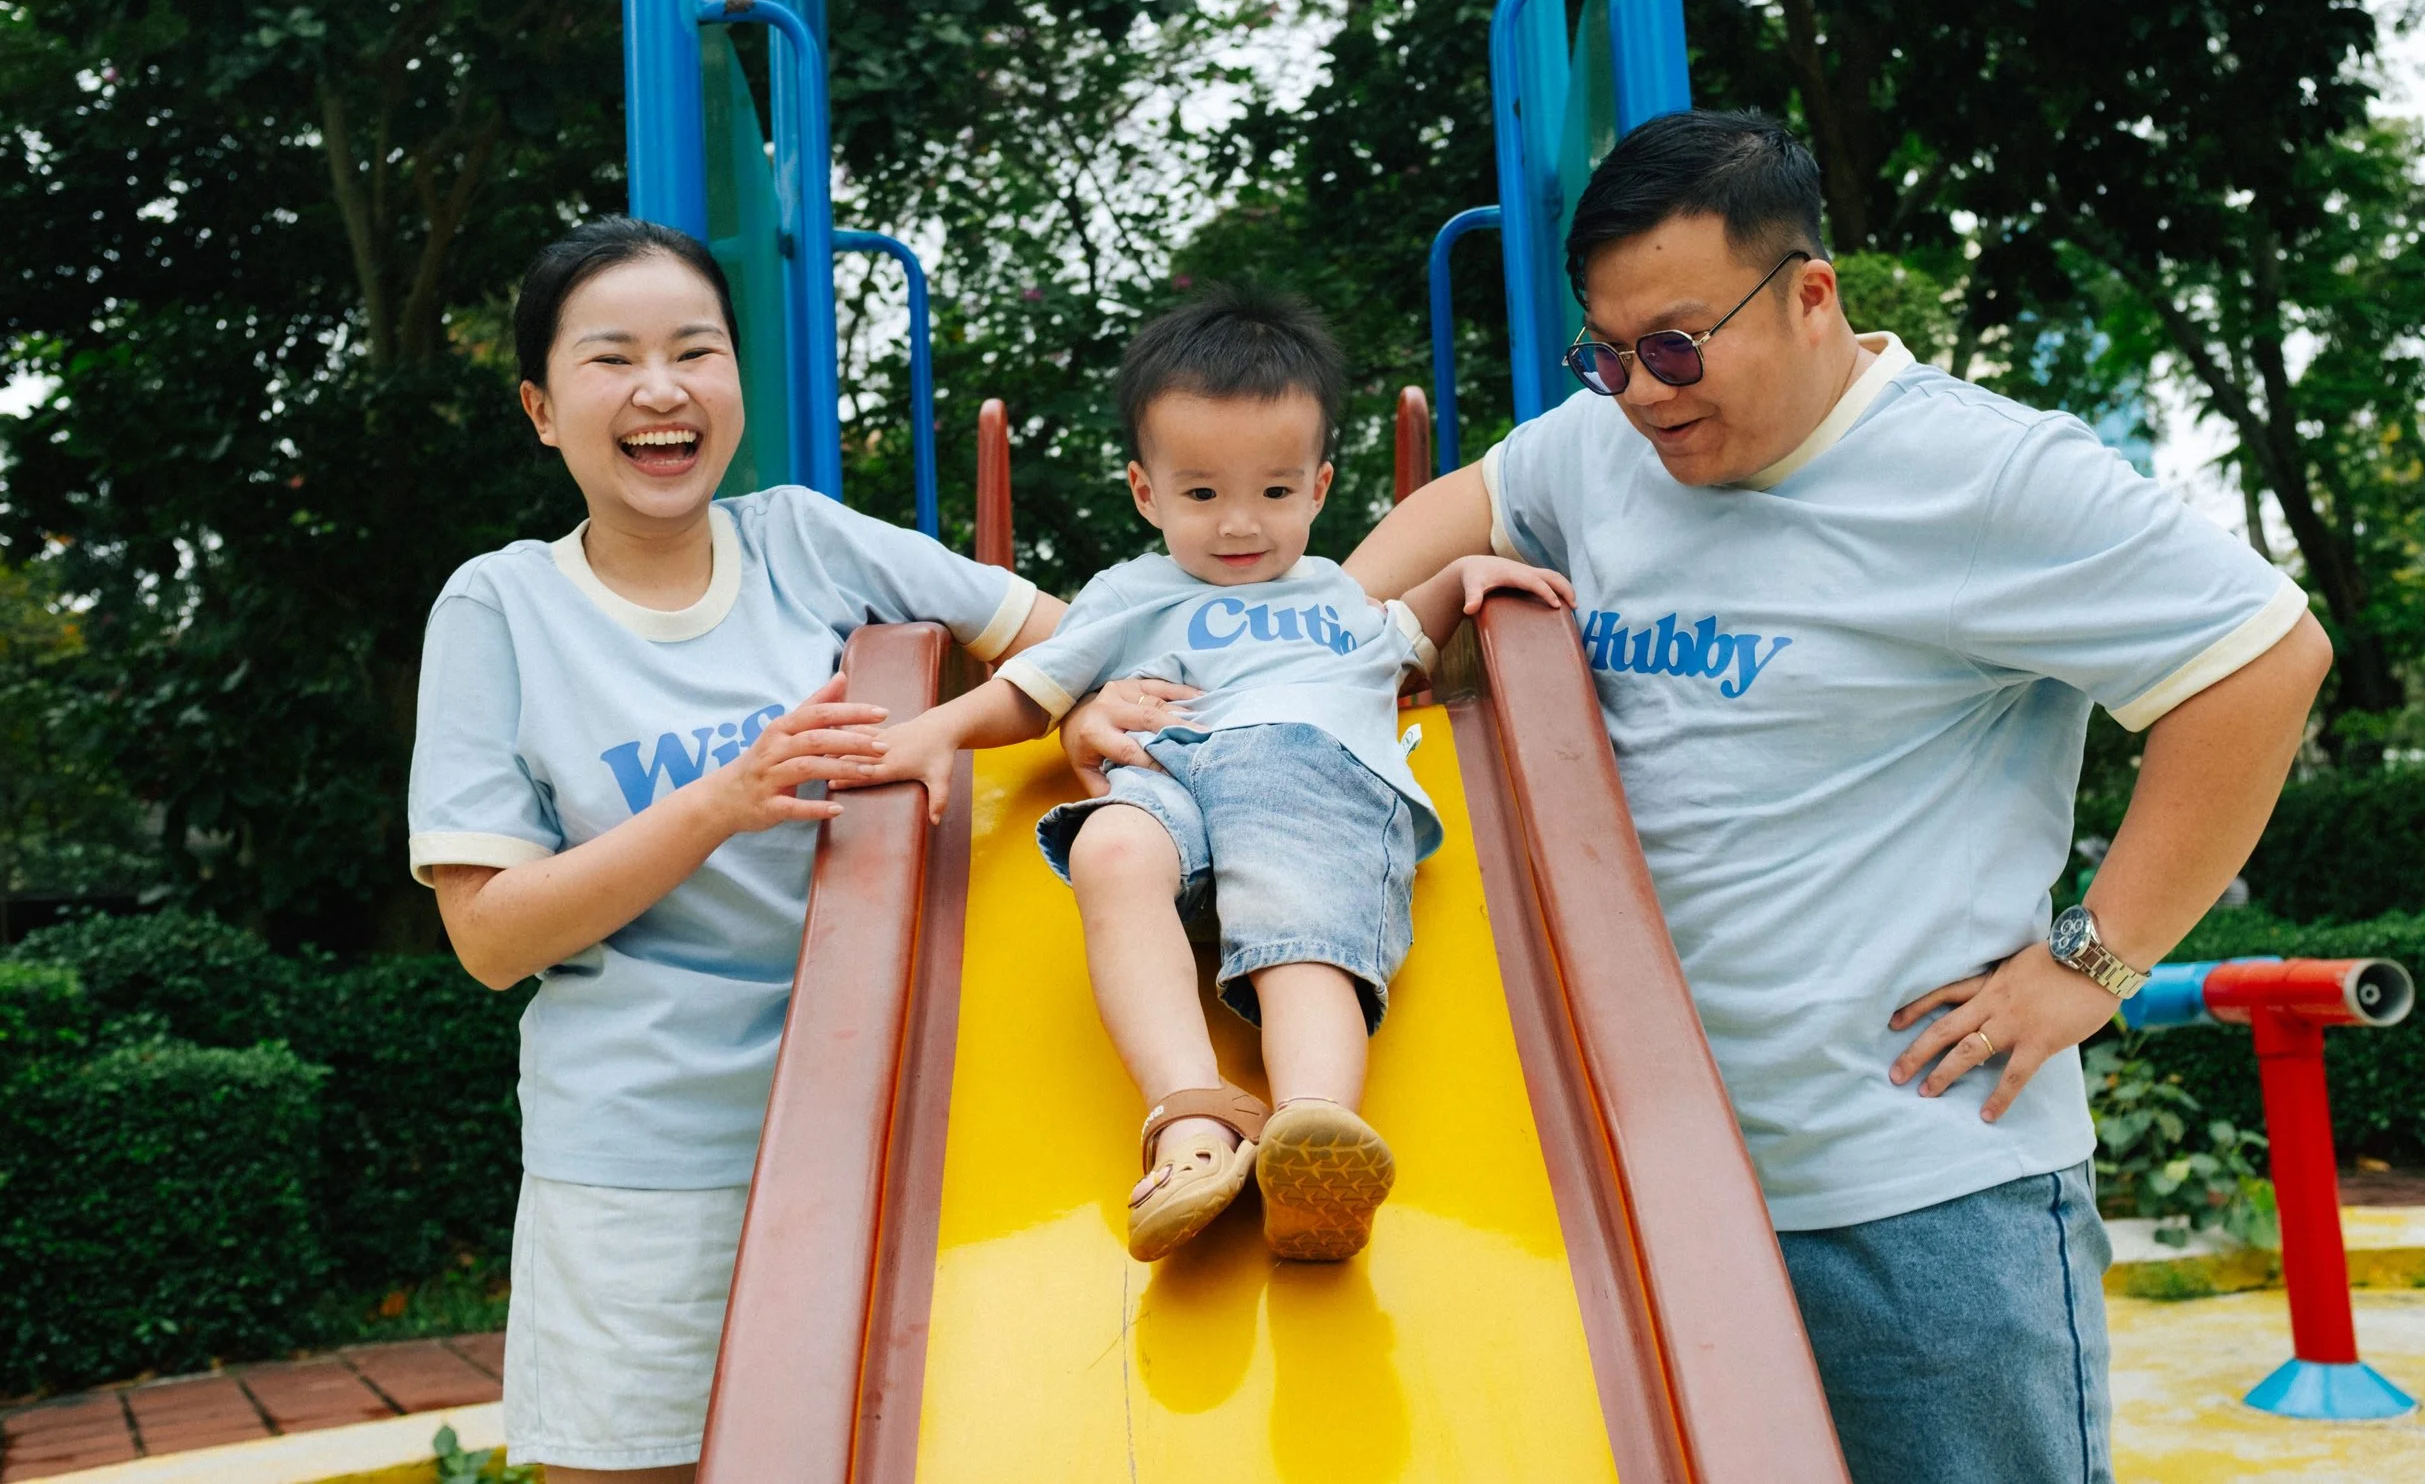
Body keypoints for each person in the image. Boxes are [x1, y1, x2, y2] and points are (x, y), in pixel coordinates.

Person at [1333, 110, 2332, 1484]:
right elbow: (1464, 504)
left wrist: (2096, 961)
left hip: (1918, 1197)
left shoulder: (1992, 475)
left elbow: (2266, 659)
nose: (1643, 390)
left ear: (1810, 294)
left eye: (1678, 346)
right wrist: (1336, 643)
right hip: (1660, 1185)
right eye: (1607, 352)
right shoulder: (1610, 441)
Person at [406, 217, 1063, 1484]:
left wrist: (939, 731)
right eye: (612, 359)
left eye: (694, 349)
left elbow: (1058, 638)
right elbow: (490, 938)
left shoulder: (804, 539)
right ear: (543, 408)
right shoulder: (500, 607)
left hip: (885, 1124)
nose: (662, 388)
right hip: (647, 1162)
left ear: (736, 385)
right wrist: (721, 799)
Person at [850, 289, 1569, 1263]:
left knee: (1299, 930)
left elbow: (1406, 642)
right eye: (1201, 494)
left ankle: (1311, 1135)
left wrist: (1461, 578)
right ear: (1146, 493)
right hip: (1174, 775)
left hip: (1307, 782)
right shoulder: (1131, 593)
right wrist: (938, 731)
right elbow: (1036, 687)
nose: (1239, 523)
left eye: (1274, 492)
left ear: (1319, 487)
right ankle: (1190, 1120)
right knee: (1105, 840)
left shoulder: (1338, 599)